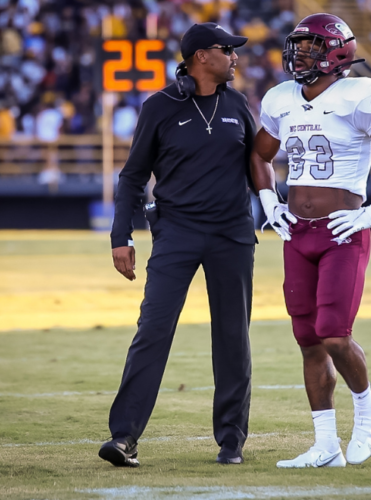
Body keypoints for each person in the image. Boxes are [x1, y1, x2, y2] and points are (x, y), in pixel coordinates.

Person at [251, 13, 371, 468]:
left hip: (341, 231)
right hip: (297, 232)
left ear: (335, 52)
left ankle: (367, 411)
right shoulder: (280, 98)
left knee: (333, 334)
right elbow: (259, 154)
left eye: (309, 47)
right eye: (298, 46)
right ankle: (325, 446)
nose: (298, 55)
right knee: (307, 339)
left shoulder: (360, 95)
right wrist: (270, 202)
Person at [101, 23, 255, 467]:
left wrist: (286, 204)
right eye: (228, 50)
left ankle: (231, 441)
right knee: (152, 331)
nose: (236, 57)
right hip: (176, 234)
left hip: (232, 235)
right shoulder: (159, 107)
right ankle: (124, 437)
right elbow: (132, 176)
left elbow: (257, 167)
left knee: (232, 337)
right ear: (202, 57)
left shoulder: (238, 104)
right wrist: (121, 237)